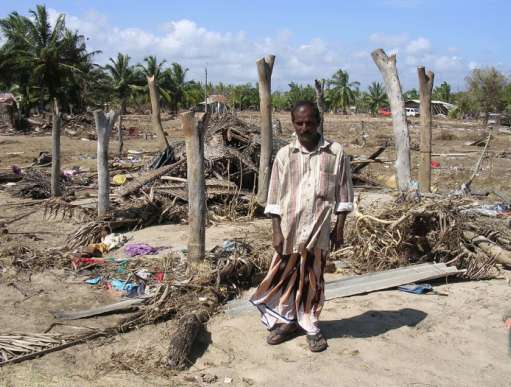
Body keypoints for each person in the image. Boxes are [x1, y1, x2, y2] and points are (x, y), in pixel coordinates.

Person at [250, 100, 354, 352]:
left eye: (309, 122)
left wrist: (339, 227)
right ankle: (288, 321)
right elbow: (274, 198)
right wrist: (276, 230)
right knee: (284, 279)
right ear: (293, 123)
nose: (304, 127)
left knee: (312, 279)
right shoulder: (285, 155)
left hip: (318, 229)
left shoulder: (336, 152)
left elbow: (344, 193)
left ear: (318, 121)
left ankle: (310, 324)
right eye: (299, 123)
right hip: (289, 229)